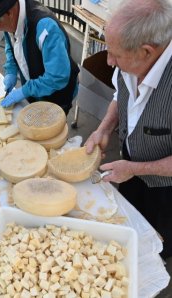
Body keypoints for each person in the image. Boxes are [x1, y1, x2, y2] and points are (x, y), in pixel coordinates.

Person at [85, 0, 172, 259]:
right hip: (130, 169)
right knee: (131, 226)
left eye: (115, 55)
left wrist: (136, 169)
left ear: (146, 51)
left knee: (159, 244)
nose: (109, 61)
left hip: (166, 190)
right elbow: (119, 96)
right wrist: (103, 129)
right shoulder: (131, 60)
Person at [0, 0, 80, 115]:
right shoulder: (10, 20)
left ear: (9, 13)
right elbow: (11, 45)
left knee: (53, 129)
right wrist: (11, 70)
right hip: (35, 92)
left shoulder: (46, 27)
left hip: (58, 94)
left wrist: (25, 90)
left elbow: (58, 77)